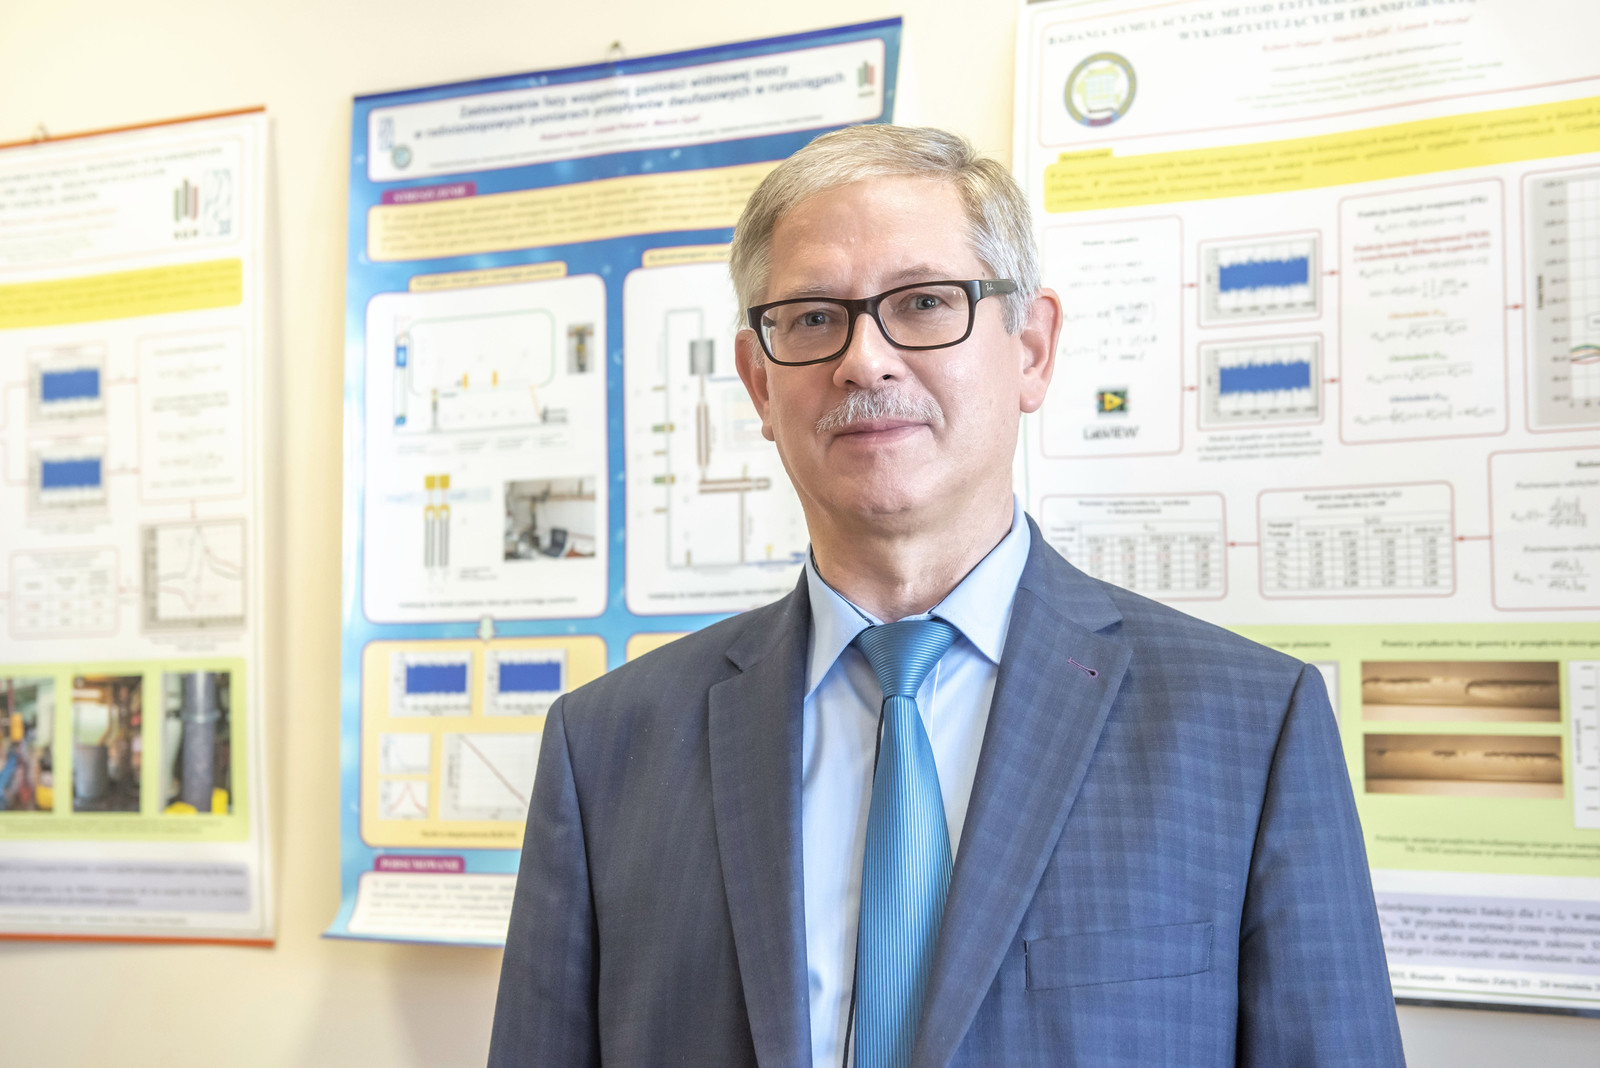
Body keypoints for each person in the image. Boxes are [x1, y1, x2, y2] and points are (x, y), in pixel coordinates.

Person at [489, 124, 1405, 1068]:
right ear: (760, 384)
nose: (864, 360)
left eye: (925, 303)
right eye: (812, 318)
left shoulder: (1250, 726)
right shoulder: (606, 748)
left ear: (1032, 348)